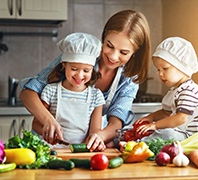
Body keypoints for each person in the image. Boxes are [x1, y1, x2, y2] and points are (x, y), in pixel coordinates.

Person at [19, 10, 151, 151]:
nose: (113, 56)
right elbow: (28, 93)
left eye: (123, 52)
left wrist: (99, 136)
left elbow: (116, 122)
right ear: (104, 36)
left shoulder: (129, 80)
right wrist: (48, 121)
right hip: (46, 146)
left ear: (135, 52)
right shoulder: (78, 56)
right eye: (109, 46)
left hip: (81, 148)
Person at [32, 32, 105, 147]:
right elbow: (36, 124)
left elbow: (94, 132)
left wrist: (90, 144)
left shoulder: (96, 96)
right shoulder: (51, 91)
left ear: (92, 70)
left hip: (80, 151)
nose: (80, 75)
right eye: (74, 68)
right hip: (51, 149)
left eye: (86, 71)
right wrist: (48, 134)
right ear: (64, 64)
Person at [134, 37, 198, 141]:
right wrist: (151, 117)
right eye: (158, 70)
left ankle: (138, 143)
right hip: (181, 133)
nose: (160, 74)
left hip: (191, 137)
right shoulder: (176, 90)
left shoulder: (188, 91)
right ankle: (135, 140)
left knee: (167, 134)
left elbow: (181, 118)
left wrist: (156, 125)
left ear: (181, 66)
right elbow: (166, 112)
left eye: (165, 69)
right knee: (160, 132)